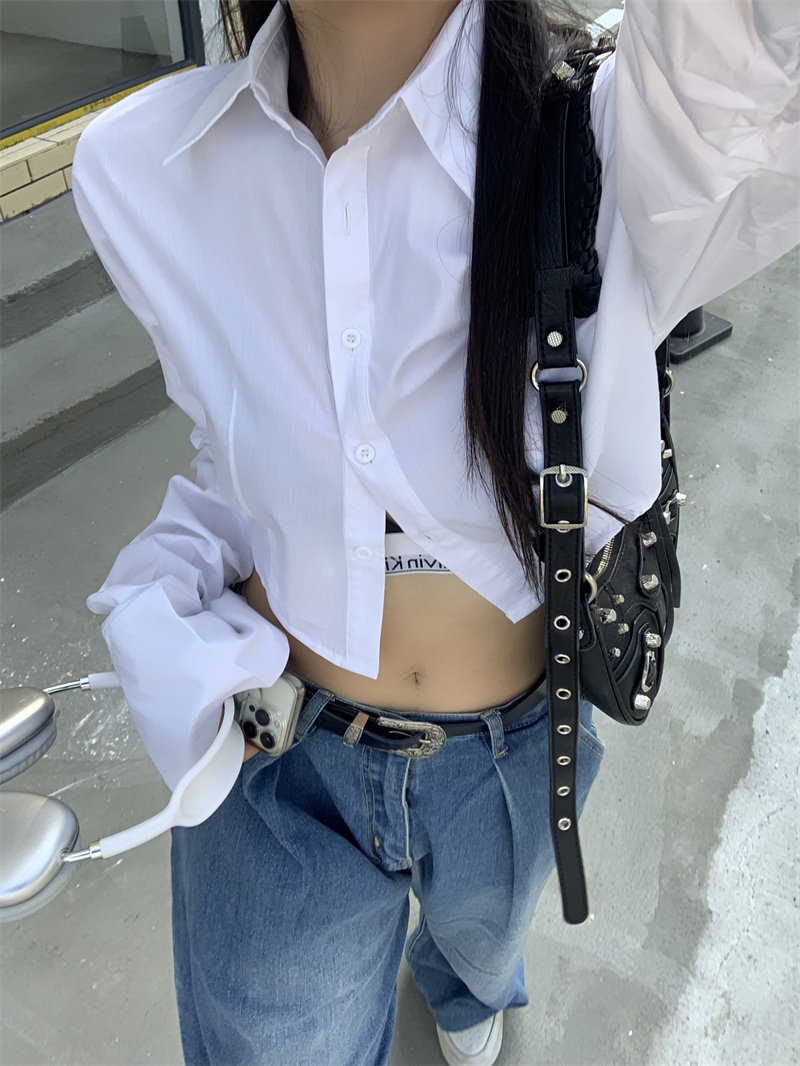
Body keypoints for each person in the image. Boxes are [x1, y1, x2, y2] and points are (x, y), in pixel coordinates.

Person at [70, 1, 798, 1063]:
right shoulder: (146, 169)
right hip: (279, 764)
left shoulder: (625, 141)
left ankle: (464, 991)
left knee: (479, 954)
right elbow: (226, 455)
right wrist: (169, 599)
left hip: (513, 751)